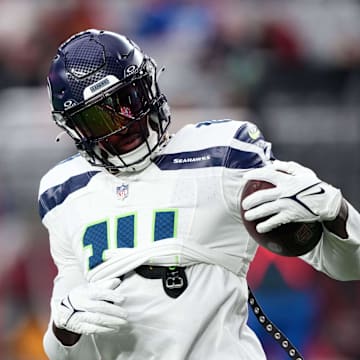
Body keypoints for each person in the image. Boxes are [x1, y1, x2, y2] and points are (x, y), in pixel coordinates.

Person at [39, 29, 360, 360]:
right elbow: (62, 351)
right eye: (96, 119)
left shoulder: (223, 153)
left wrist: (336, 210)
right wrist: (64, 329)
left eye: (126, 101)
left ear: (148, 87)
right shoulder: (63, 191)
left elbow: (350, 265)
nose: (123, 125)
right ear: (73, 128)